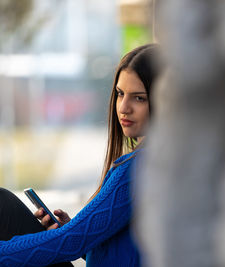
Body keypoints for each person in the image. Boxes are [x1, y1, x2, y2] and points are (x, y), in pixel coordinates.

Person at [0, 43, 162, 266]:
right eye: (120, 94)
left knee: (3, 207)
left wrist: (74, 234)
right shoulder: (156, 162)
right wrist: (78, 229)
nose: (124, 107)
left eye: (139, 98)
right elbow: (123, 252)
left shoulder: (139, 167)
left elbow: (69, 244)